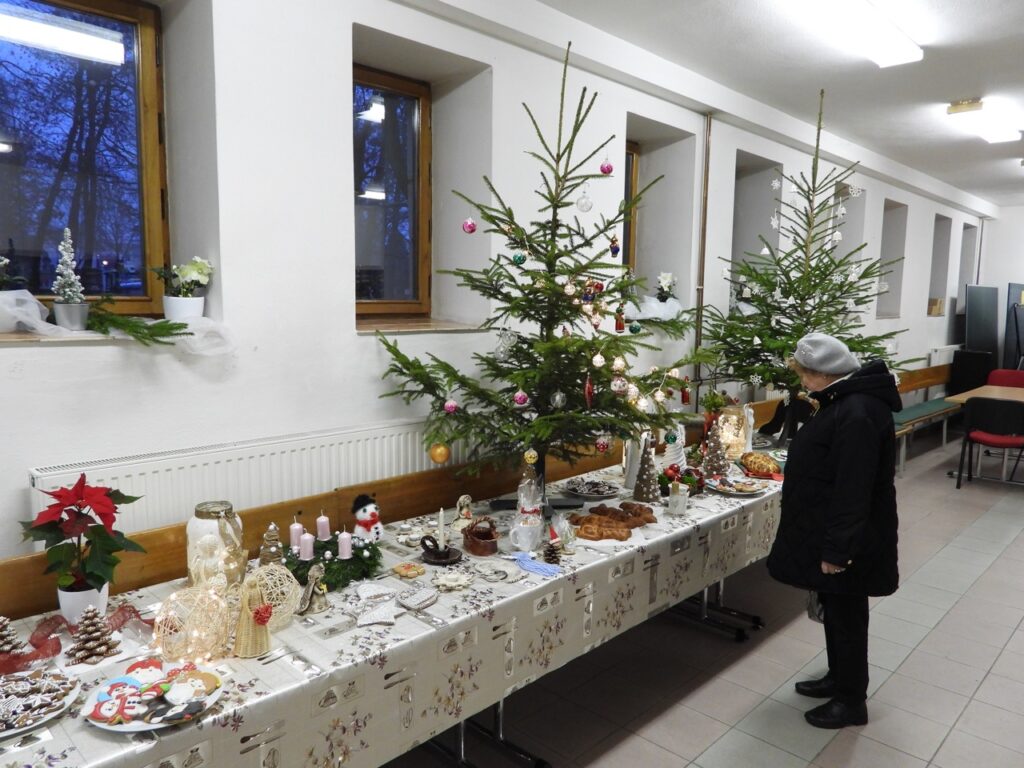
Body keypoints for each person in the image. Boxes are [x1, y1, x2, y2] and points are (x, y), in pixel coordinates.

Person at [767, 332, 900, 729]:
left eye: (805, 374)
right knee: (836, 608)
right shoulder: (843, 400)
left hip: (849, 539)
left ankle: (851, 700)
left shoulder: (857, 411)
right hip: (830, 528)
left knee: (847, 616)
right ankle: (838, 677)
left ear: (826, 373)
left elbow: (853, 488)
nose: (802, 381)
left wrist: (838, 551)